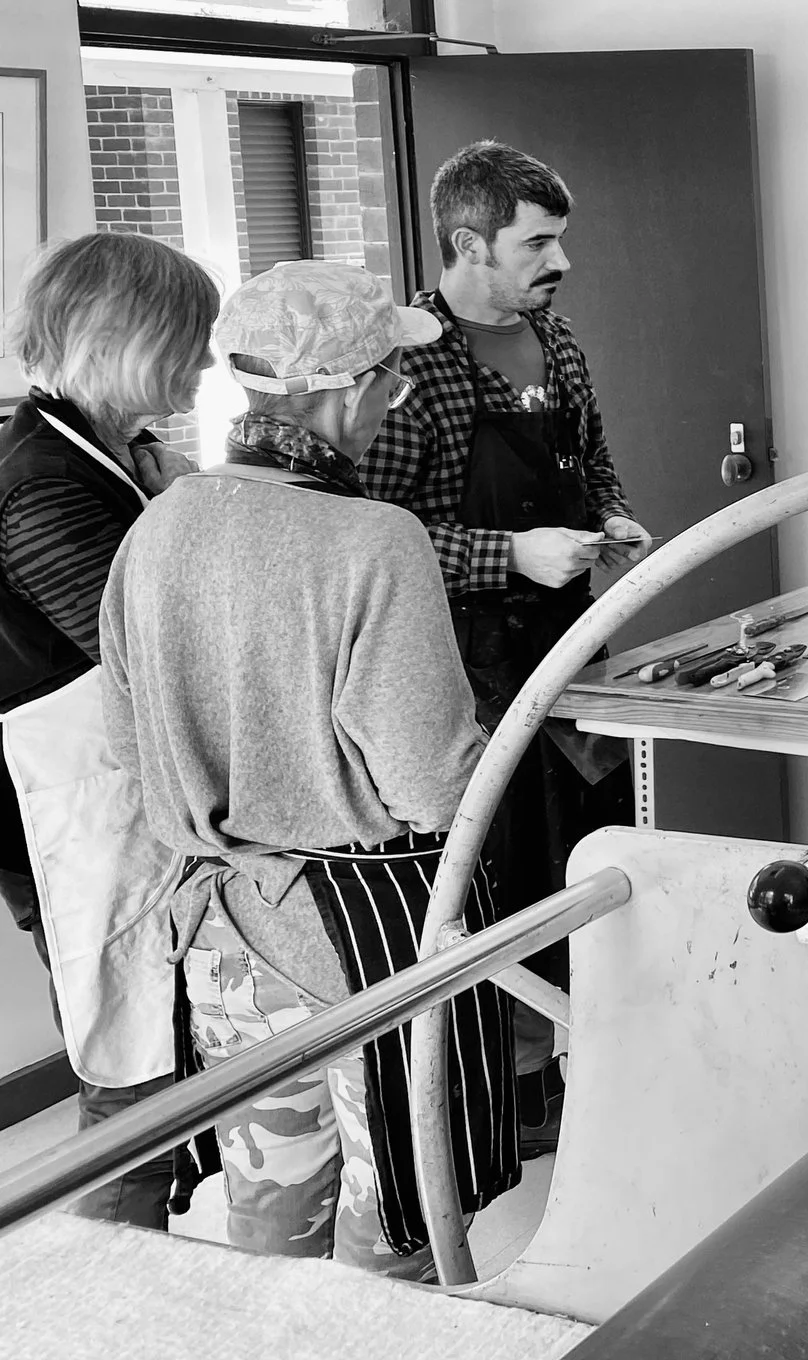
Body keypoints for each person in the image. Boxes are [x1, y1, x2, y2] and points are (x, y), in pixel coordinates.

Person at [100, 259, 515, 1276]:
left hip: (223, 939)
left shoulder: (157, 527)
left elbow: (127, 746)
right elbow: (432, 784)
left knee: (267, 1237)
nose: (391, 402)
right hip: (368, 942)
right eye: (390, 382)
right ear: (346, 390)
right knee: (397, 1245)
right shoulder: (374, 539)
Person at [366, 140, 650, 1144]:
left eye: (559, 239)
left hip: (572, 644)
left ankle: (594, 1063)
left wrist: (610, 517)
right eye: (537, 243)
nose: (559, 261)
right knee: (506, 870)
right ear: (468, 243)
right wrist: (508, 553)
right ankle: (513, 1095)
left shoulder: (557, 339)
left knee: (591, 848)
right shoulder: (408, 362)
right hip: (470, 665)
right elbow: (380, 539)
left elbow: (595, 458)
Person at [0, 230, 214, 1228]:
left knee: (158, 1062)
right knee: (134, 1071)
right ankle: (114, 1280)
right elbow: (141, 648)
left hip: (118, 803)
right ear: (113, 337)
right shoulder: (42, 480)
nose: (204, 361)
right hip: (73, 822)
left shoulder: (111, 453)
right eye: (189, 338)